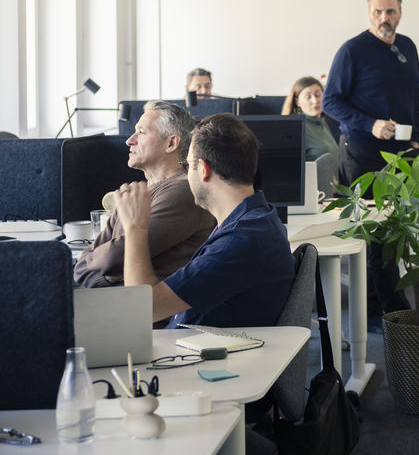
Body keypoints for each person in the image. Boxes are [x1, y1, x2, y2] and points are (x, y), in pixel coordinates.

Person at [115, 113, 295, 327]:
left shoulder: (240, 241)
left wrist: (134, 226)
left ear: (203, 169)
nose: (187, 174)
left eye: (187, 166)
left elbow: (143, 308)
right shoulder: (254, 218)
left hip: (204, 354)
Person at [323, 0, 419, 315]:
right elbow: (330, 101)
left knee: (400, 229)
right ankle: (392, 312)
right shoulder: (352, 50)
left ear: (400, 12)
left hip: (403, 152)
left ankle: (386, 303)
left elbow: (414, 96)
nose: (384, 17)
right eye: (377, 12)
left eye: (390, 11)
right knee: (378, 233)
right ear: (369, 12)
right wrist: (371, 123)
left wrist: (416, 137)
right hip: (363, 151)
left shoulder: (407, 46)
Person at [74, 100, 215, 289]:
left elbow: (116, 256)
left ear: (171, 143)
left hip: (150, 314)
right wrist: (103, 276)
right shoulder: (137, 193)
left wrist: (97, 274)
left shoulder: (184, 191)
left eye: (141, 132)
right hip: (120, 303)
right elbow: (83, 264)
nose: (129, 140)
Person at [282, 75, 339, 162]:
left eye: (318, 95)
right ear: (297, 102)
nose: (315, 101)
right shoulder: (298, 128)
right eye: (307, 97)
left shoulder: (322, 122)